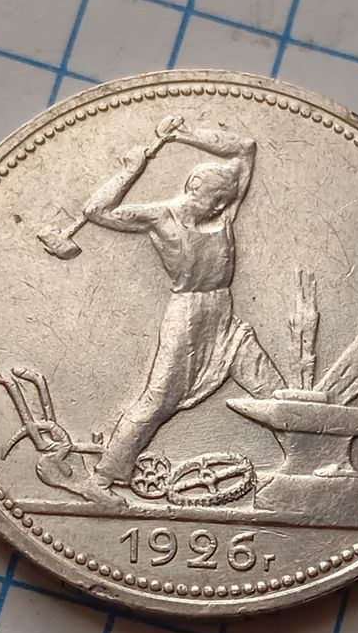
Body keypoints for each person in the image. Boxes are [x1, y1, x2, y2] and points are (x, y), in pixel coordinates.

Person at [76, 116, 285, 503]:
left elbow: (246, 148)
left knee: (270, 388)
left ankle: (301, 464)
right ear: (196, 190)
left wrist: (184, 134)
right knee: (158, 400)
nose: (222, 205)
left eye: (224, 201)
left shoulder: (222, 214)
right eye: (215, 199)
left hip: (222, 316)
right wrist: (129, 171)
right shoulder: (161, 217)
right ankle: (101, 480)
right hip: (187, 318)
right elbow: (96, 210)